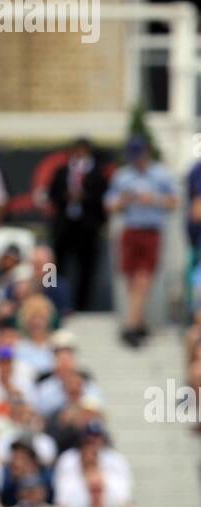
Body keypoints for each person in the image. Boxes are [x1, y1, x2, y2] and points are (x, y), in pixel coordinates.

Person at [105, 136, 178, 348]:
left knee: (143, 278)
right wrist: (126, 200)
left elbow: (175, 201)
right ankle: (139, 323)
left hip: (151, 232)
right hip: (131, 230)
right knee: (131, 280)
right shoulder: (123, 176)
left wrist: (152, 199)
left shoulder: (161, 175)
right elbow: (110, 204)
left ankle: (131, 325)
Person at [47, 138, 108, 313]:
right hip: (64, 227)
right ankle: (55, 302)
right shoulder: (62, 172)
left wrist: (84, 197)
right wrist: (66, 196)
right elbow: (52, 194)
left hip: (87, 228)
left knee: (86, 269)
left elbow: (101, 199)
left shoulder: (97, 174)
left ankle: (83, 306)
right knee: (54, 267)